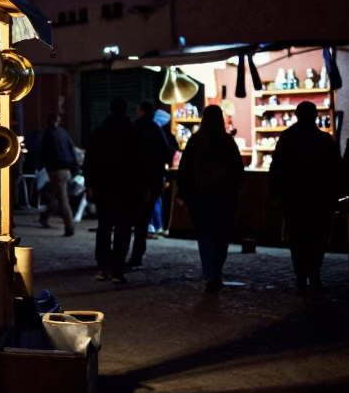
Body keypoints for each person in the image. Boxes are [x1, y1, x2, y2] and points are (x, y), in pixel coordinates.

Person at [270, 101, 343, 294]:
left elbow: (277, 166)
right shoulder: (324, 139)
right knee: (318, 235)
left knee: (297, 235)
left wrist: (274, 191)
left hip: (294, 195)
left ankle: (301, 273)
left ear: (296, 115)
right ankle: (314, 271)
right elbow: (336, 169)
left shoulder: (287, 137)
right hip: (320, 196)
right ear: (316, 116)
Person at [176, 105, 246, 293]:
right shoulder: (227, 141)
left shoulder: (196, 141)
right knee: (222, 235)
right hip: (225, 196)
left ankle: (210, 272)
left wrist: (183, 192)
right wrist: (235, 187)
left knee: (204, 234)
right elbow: (239, 169)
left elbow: (184, 169)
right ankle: (217, 270)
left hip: (199, 196)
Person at [83, 97, 150, 284]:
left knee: (104, 227)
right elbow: (141, 162)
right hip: (128, 189)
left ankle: (103, 267)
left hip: (104, 188)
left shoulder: (99, 132)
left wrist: (90, 185)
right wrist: (144, 187)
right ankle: (117, 269)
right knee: (123, 229)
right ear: (125, 110)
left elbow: (90, 161)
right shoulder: (133, 132)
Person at [130, 100, 172, 268]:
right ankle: (137, 256)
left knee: (131, 220)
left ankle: (123, 256)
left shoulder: (133, 129)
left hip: (134, 182)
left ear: (141, 111)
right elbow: (166, 154)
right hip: (153, 181)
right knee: (142, 222)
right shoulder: (156, 131)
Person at [38, 113, 79, 234]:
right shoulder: (64, 133)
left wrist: (40, 166)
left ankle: (69, 226)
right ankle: (45, 216)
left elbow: (43, 152)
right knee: (59, 195)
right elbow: (71, 149)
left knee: (61, 198)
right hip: (65, 169)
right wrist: (75, 167)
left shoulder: (48, 134)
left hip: (55, 170)